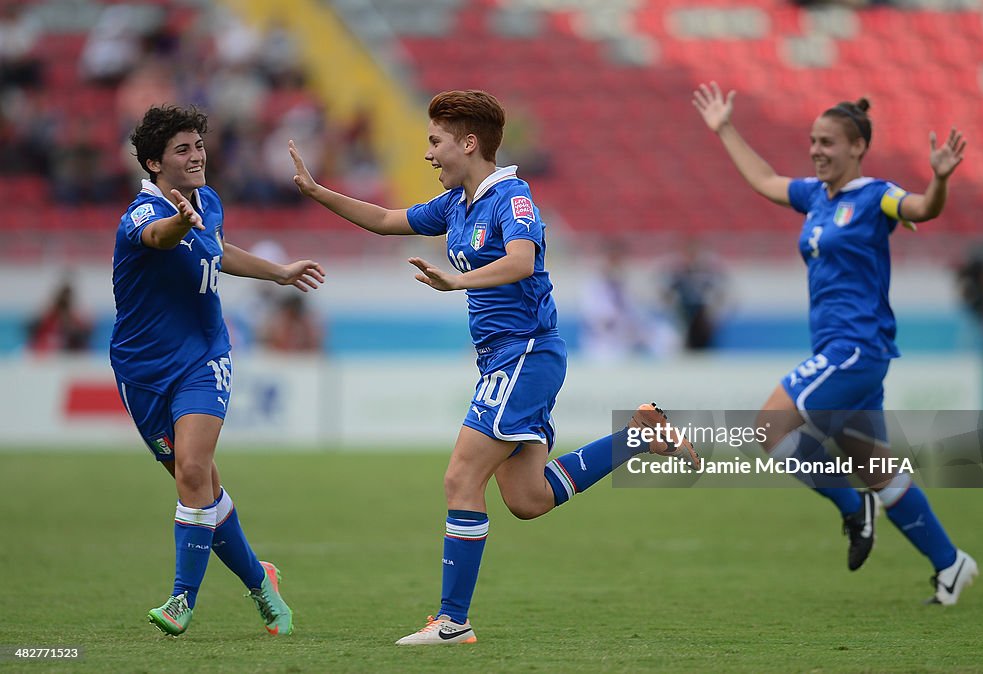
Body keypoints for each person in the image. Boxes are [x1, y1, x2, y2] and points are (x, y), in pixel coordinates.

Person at [290, 89, 699, 645]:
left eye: (435, 142)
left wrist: (457, 280)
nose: (429, 154)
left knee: (460, 478)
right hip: (504, 359)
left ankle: (452, 621)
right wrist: (317, 192)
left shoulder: (511, 196)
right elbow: (387, 219)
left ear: (469, 142)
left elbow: (521, 260)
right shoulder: (457, 203)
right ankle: (637, 437)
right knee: (527, 500)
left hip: (526, 352)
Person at [693, 81, 976, 604]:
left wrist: (939, 180)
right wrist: (725, 128)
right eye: (813, 141)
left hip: (854, 349)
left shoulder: (874, 196)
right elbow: (765, 180)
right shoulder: (815, 198)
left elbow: (921, 209)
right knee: (880, 473)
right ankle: (951, 564)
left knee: (770, 428)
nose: (817, 151)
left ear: (857, 148)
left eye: (828, 142)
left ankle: (851, 507)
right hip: (842, 352)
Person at [110, 104, 325, 636]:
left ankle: (182, 600)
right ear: (155, 164)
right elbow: (160, 237)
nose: (196, 155)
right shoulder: (139, 216)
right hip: (142, 371)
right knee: (202, 483)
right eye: (182, 149)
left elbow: (216, 250)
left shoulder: (208, 202)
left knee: (191, 470)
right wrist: (179, 220)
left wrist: (277, 273)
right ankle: (260, 581)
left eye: (199, 146)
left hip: (204, 357)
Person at [27, 280, 92, 353]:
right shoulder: (48, 318)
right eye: (62, 301)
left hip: (69, 356)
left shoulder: (75, 320)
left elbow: (85, 334)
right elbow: (35, 336)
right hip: (47, 354)